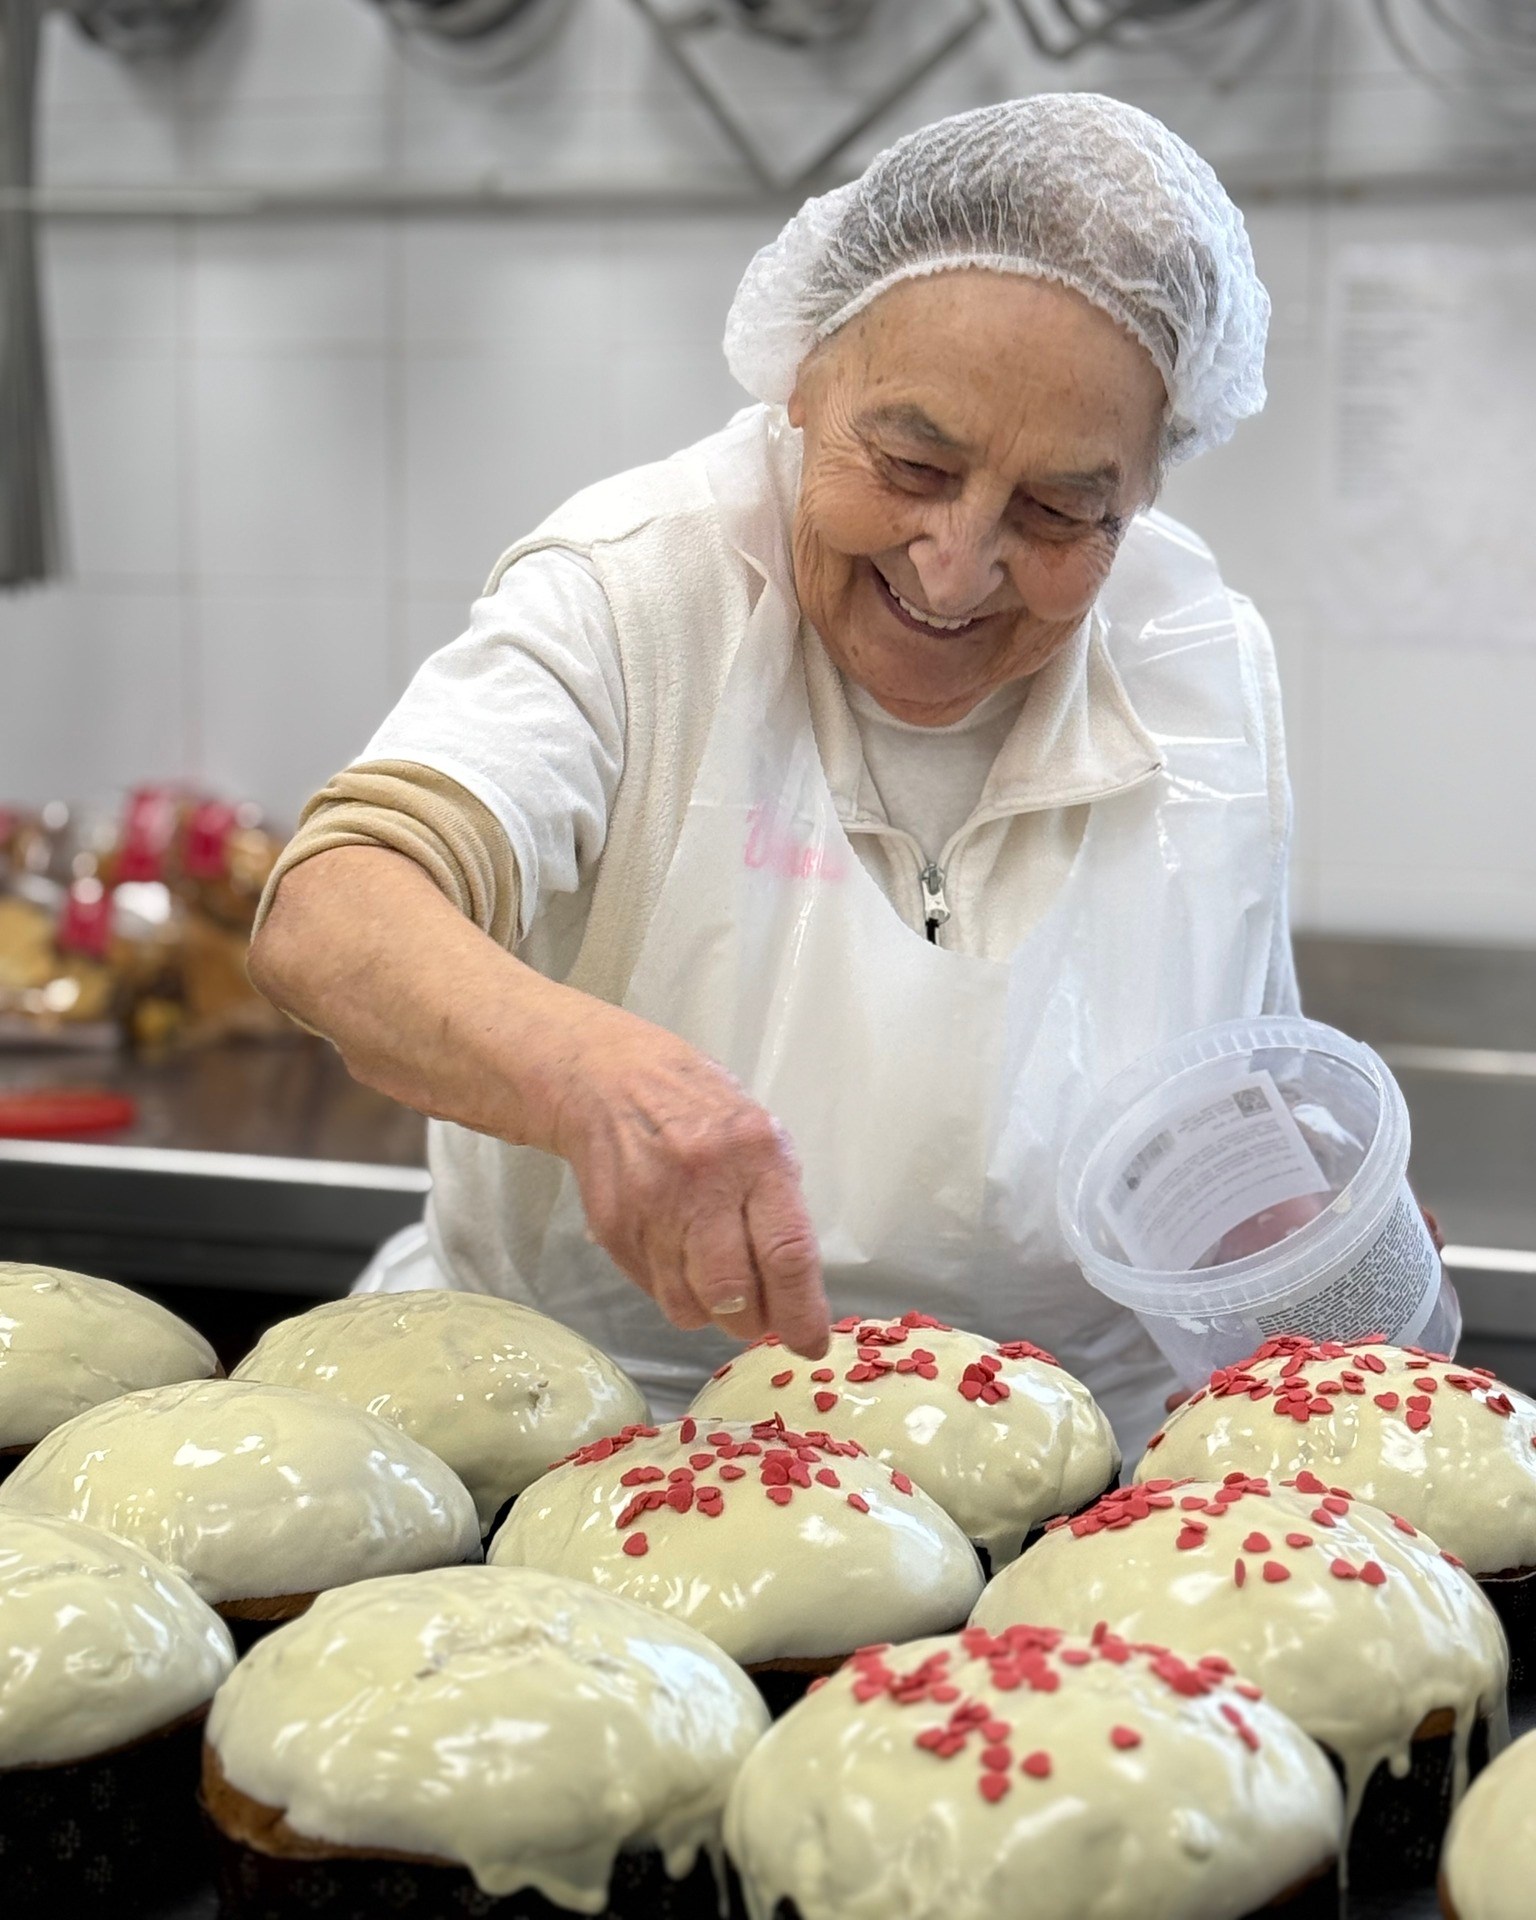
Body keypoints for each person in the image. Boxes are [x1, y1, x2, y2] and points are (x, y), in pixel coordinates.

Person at [249, 93, 1292, 1457]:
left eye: (1059, 511)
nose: (955, 563)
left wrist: (1293, 1234)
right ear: (802, 381)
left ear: (1148, 487)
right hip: (587, 1442)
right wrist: (594, 1078)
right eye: (912, 463)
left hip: (1070, 1480)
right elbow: (331, 910)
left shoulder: (1201, 667)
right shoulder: (642, 590)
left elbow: (1230, 1086)